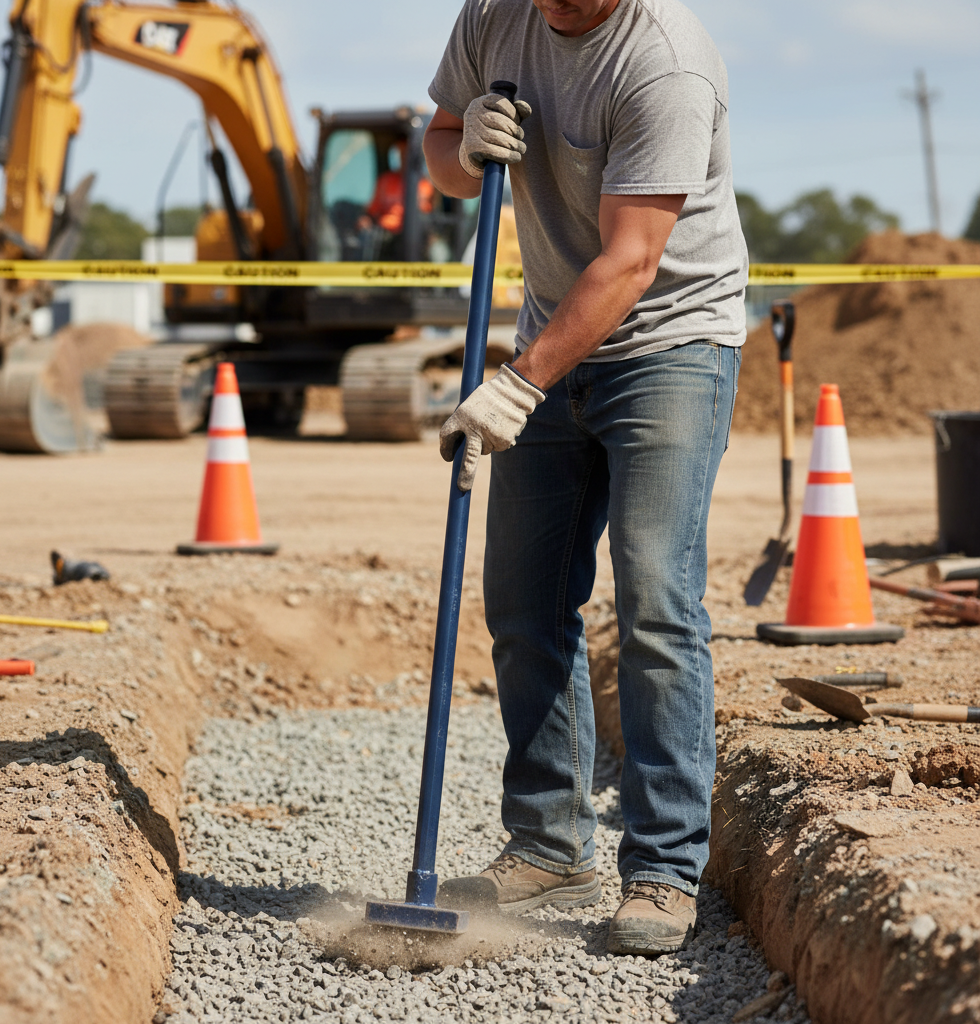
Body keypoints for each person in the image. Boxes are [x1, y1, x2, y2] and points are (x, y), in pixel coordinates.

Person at [423, 0, 748, 957]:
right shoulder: (494, 16)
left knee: (655, 598)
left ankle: (663, 867)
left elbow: (633, 257)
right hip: (554, 335)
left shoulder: (666, 63)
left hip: (672, 343)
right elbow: (439, 145)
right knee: (523, 600)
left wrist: (517, 385)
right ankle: (550, 842)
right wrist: (463, 152)